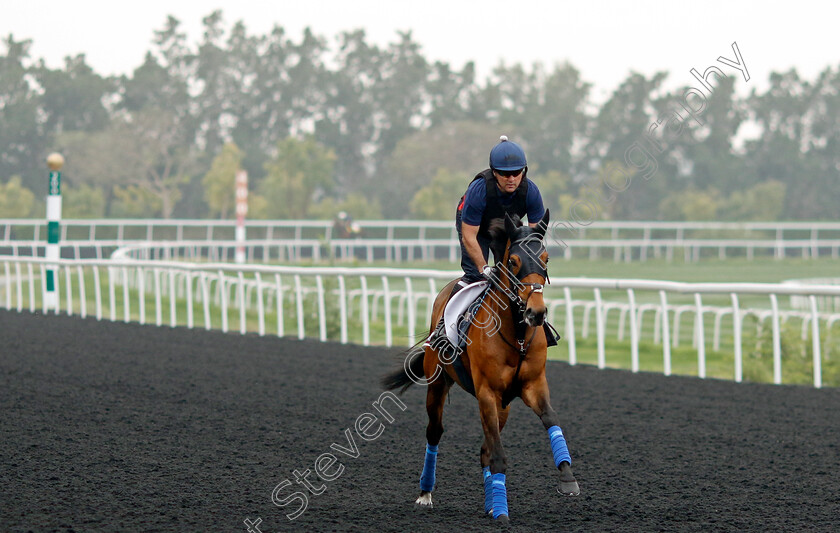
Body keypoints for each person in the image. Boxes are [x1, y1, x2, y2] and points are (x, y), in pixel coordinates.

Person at [454, 135, 546, 293]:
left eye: (516, 172)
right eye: (504, 173)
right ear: (494, 172)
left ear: (523, 172)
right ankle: (450, 317)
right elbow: (468, 236)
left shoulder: (531, 192)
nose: (511, 179)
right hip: (477, 230)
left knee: (514, 275)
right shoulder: (479, 190)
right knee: (476, 276)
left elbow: (534, 238)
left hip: (507, 228)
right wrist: (485, 269)